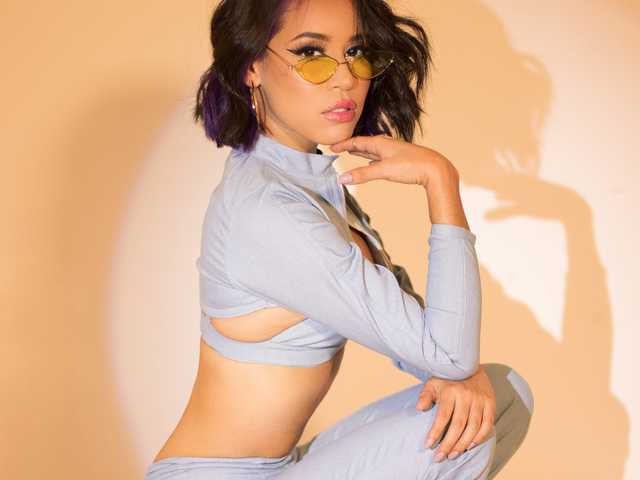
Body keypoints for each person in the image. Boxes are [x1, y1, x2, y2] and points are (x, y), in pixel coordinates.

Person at [144, 0, 534, 478]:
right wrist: (440, 179)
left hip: (280, 466)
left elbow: (420, 341)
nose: (346, 79)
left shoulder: (308, 181)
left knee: (501, 394)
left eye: (356, 52)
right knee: (464, 434)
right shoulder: (267, 207)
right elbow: (448, 354)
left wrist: (457, 375)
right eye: (311, 53)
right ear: (252, 67)